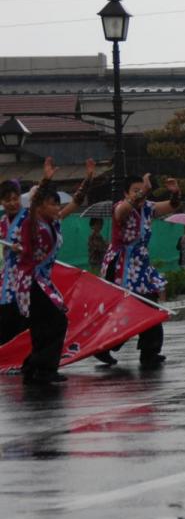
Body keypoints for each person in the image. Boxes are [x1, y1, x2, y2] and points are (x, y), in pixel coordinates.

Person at [14, 160, 93, 385]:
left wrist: (88, 179)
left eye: (57, 204)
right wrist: (46, 180)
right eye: (51, 204)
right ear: (39, 206)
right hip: (31, 281)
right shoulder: (31, 223)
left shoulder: (53, 222)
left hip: (42, 281)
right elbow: (33, 205)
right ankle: (44, 367)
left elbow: (76, 202)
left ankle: (33, 367)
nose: (57, 208)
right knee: (57, 321)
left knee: (43, 324)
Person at [96, 173, 182, 368]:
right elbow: (122, 212)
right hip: (121, 266)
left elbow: (172, 206)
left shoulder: (148, 208)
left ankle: (150, 351)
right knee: (125, 309)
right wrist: (141, 193)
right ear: (126, 193)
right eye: (135, 191)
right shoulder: (120, 207)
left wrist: (175, 193)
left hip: (140, 265)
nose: (140, 194)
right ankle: (104, 346)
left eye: (141, 190)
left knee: (149, 305)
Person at [0, 179, 25, 346]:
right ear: (1, 202)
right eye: (8, 200)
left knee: (23, 316)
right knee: (5, 317)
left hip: (26, 276)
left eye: (15, 198)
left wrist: (24, 248)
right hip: (7, 277)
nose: (12, 203)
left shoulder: (29, 219)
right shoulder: (2, 222)